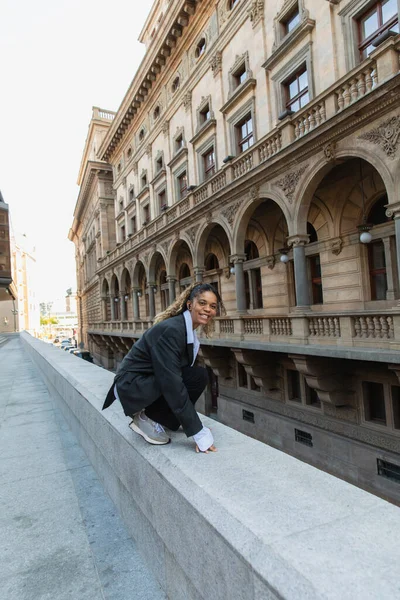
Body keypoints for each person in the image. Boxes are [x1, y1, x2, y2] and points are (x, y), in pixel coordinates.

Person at [103, 282, 222, 453]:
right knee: (181, 379)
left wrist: (192, 423)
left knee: (198, 375)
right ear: (190, 304)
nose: (207, 309)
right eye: (202, 303)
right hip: (132, 386)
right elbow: (172, 383)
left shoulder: (186, 329)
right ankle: (146, 418)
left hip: (147, 382)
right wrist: (198, 432)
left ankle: (164, 420)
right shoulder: (173, 330)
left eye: (213, 306)